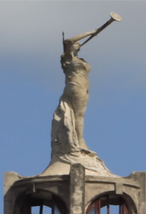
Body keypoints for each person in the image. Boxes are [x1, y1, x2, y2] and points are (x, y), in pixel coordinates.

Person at [45, 15, 119, 176]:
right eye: (76, 44)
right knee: (79, 115)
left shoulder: (79, 59)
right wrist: (93, 31)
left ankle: (79, 140)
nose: (78, 44)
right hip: (75, 87)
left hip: (84, 87)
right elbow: (70, 41)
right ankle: (79, 142)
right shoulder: (66, 58)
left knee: (81, 115)